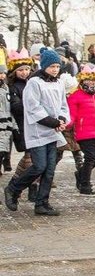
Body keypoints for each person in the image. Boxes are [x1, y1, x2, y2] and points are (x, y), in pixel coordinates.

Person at [4, 48, 69, 216]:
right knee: (39, 166)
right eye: (52, 66)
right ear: (44, 66)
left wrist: (62, 119)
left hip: (53, 131)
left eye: (57, 66)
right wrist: (53, 122)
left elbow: (63, 105)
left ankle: (42, 203)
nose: (55, 69)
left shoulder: (59, 83)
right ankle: (13, 188)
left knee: (49, 169)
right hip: (38, 131)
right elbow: (33, 108)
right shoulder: (34, 83)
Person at [66, 65, 95, 195]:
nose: (91, 83)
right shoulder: (75, 95)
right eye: (88, 80)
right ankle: (85, 185)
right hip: (84, 132)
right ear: (82, 80)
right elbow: (72, 114)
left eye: (93, 80)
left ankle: (80, 174)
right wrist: (67, 124)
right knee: (90, 158)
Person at [7, 50, 35, 196]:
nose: (24, 72)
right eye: (21, 70)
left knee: (29, 158)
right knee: (31, 158)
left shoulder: (33, 83)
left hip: (34, 125)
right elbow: (16, 107)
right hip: (21, 126)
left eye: (27, 69)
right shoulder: (13, 87)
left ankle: (14, 184)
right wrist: (32, 104)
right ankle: (32, 188)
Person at [0, 63, 17, 176]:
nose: (2, 75)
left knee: (7, 143)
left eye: (4, 73)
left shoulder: (6, 87)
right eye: (0, 73)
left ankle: (6, 160)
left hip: (7, 120)